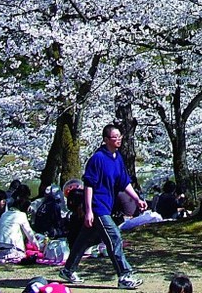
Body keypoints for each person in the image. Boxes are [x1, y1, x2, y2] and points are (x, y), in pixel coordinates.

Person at [60, 124, 144, 290]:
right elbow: (89, 185)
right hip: (98, 208)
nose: (118, 139)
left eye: (120, 136)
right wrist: (89, 210)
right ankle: (124, 275)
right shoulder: (97, 159)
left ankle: (68, 270)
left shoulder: (117, 158)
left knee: (85, 240)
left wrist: (137, 199)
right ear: (106, 140)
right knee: (115, 238)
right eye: (115, 137)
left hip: (108, 206)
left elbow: (124, 182)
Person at [0, 195, 36, 262]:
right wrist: (37, 247)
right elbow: (29, 233)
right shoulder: (21, 215)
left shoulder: (4, 214)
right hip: (12, 249)